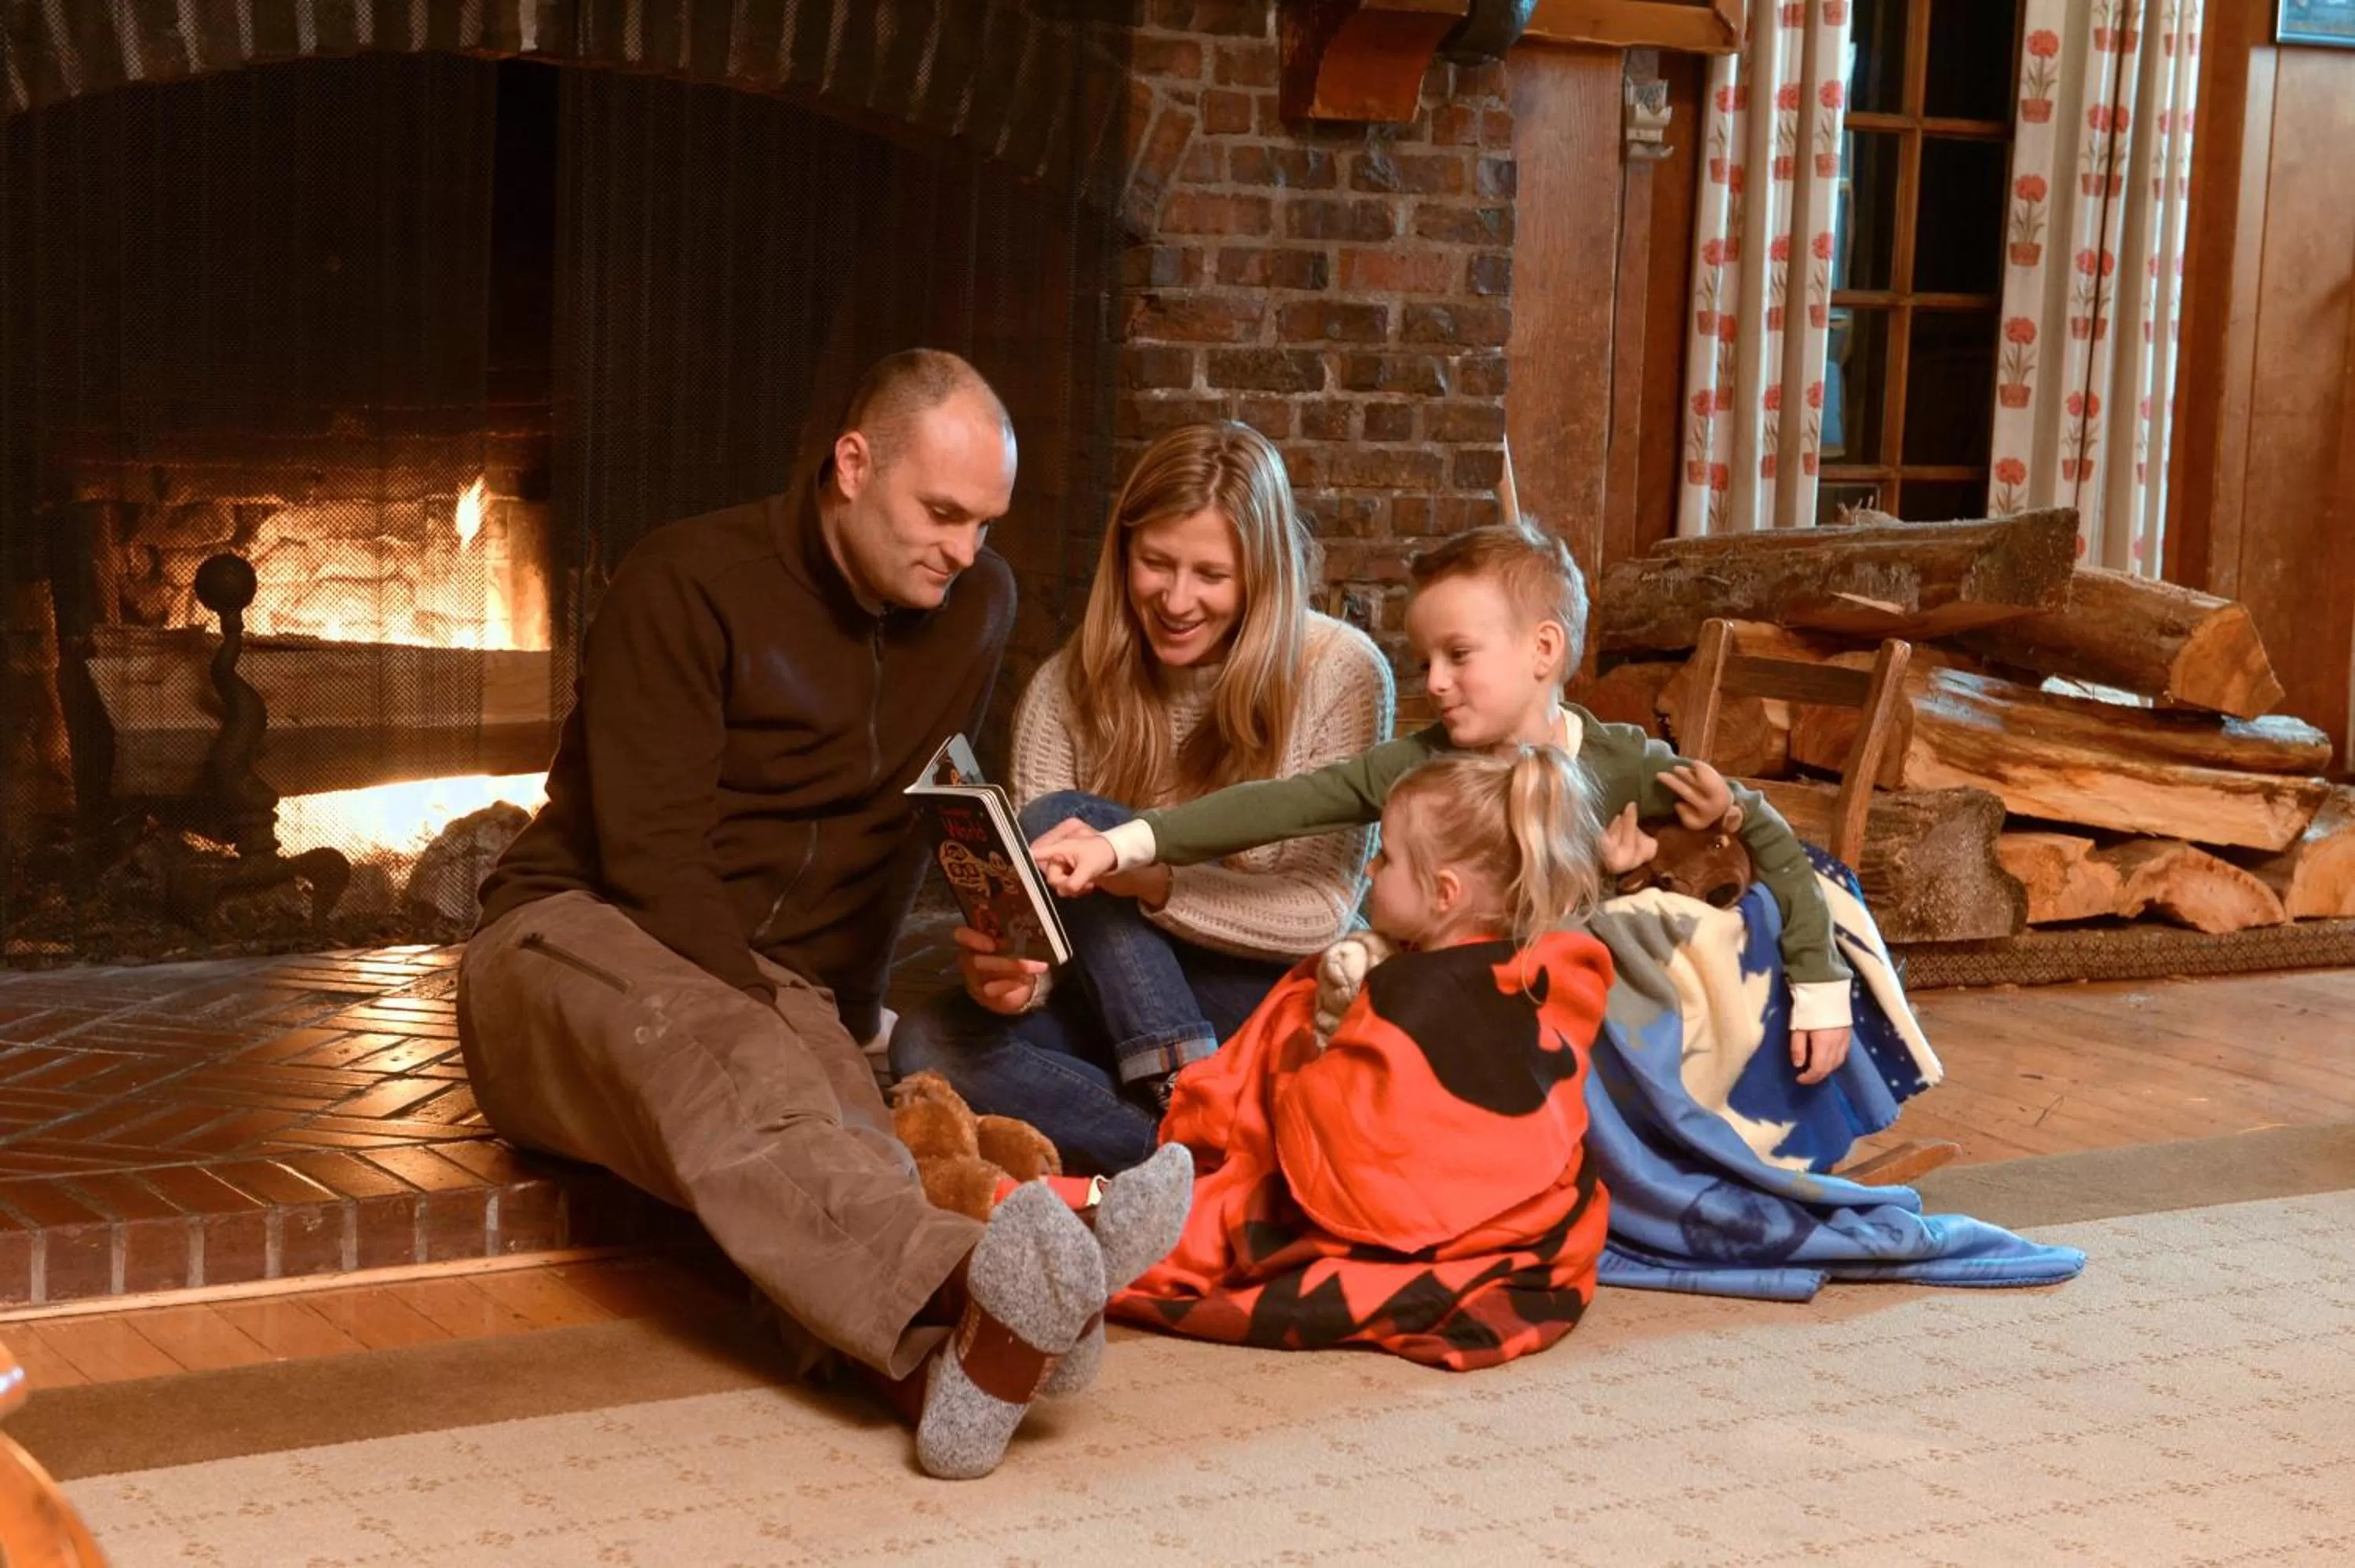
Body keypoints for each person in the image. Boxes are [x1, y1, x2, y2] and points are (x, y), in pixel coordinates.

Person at [457, 348, 1189, 1481]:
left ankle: (958, 1373)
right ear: (852, 464)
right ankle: (997, 1270)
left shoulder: (972, 604)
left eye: (986, 525)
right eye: (941, 512)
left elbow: (903, 827)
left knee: (850, 1140)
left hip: (770, 972)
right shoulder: (687, 580)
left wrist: (860, 1024)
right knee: (758, 1071)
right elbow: (650, 862)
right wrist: (793, 1034)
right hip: (573, 932)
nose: (965, 550)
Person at [1035, 518, 1858, 1081]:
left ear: (1544, 649)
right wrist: (1125, 845)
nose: (1432, 682)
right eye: (1425, 658)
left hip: (1571, 1049)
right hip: (1449, 1027)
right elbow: (1286, 802)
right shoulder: (1423, 763)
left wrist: (1819, 988)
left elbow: (1767, 841)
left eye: (1458, 655)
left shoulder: (1623, 767)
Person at [889, 421, 1394, 1172]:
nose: (1177, 599)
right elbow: (1053, 938)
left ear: (1261, 574)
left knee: (1076, 824)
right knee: (927, 1042)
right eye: (1155, 563)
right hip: (1110, 1004)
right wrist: (1015, 984)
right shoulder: (1065, 688)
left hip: (1270, 1003)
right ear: (1123, 552)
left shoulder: (1340, 671)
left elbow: (1321, 912)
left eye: (1211, 576)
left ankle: (1180, 1092)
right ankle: (1211, 1153)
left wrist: (1146, 876)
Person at [1113, 744, 1619, 1369]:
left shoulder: (1425, 992)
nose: (1372, 870)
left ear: (1444, 894)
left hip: (1424, 1208)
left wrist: (1296, 1062)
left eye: (1387, 857)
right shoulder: (1470, 957)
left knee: (1195, 1226)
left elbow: (1352, 1137)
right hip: (1527, 1215)